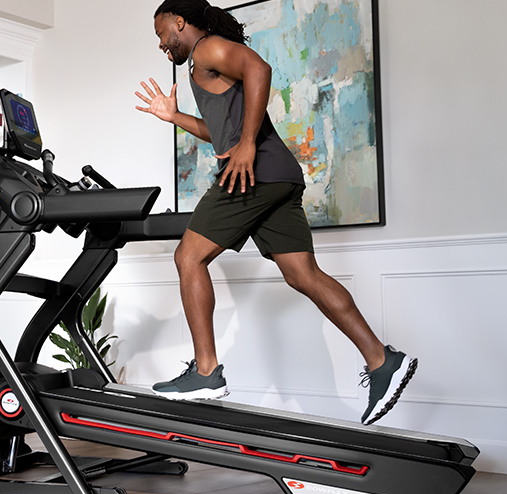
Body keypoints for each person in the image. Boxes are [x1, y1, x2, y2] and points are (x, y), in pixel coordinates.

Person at [135, 0, 416, 425]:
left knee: (188, 257)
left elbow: (260, 69)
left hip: (253, 174)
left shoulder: (208, 48)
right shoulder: (204, 66)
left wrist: (247, 145)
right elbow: (219, 132)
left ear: (179, 23)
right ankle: (382, 361)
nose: (160, 44)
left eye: (161, 34)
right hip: (279, 174)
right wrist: (174, 116)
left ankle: (206, 372)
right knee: (303, 274)